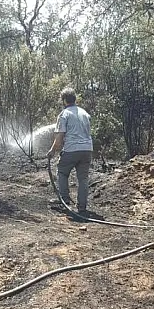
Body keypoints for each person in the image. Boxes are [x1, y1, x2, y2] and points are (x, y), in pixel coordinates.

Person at [46, 87, 93, 216]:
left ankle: (64, 202)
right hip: (87, 150)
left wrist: (52, 151)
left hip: (72, 149)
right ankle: (82, 207)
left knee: (62, 171)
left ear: (64, 100)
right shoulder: (84, 113)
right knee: (83, 178)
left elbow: (60, 137)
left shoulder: (64, 114)